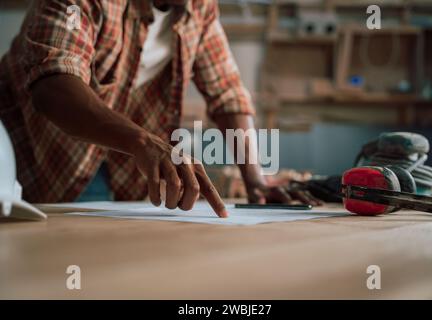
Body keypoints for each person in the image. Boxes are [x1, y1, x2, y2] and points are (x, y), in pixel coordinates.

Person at [0, 0, 319, 218]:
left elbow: (227, 92)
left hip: (122, 166)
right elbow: (53, 87)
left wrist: (256, 181)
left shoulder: (198, 7)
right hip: (36, 155)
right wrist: (142, 142)